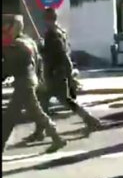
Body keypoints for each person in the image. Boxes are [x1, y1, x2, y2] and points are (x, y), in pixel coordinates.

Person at [29, 8, 101, 141]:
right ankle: (40, 131)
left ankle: (90, 120)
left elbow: (55, 54)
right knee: (47, 101)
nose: (45, 22)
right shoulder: (60, 32)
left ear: (48, 19)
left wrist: (40, 47)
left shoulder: (52, 34)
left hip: (55, 73)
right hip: (57, 73)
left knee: (56, 101)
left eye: (46, 19)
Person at [2, 14, 67, 153]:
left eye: (7, 26)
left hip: (23, 83)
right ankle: (57, 138)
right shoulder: (28, 41)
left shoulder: (16, 45)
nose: (4, 29)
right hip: (29, 81)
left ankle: (57, 138)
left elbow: (10, 66)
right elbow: (38, 62)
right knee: (26, 114)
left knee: (12, 117)